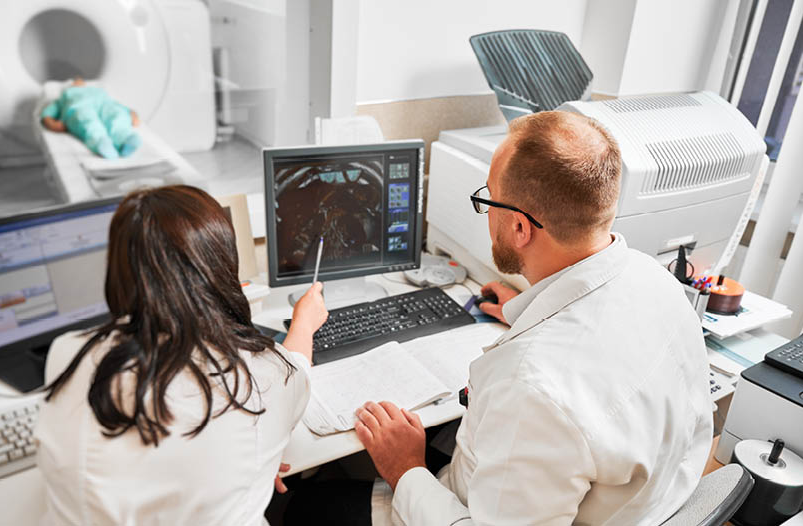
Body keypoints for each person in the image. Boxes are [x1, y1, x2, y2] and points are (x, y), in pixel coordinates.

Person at [290, 111, 713, 525]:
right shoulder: (657, 282)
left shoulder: (532, 388)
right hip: (642, 505)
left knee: (306, 504)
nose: (485, 210)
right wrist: (527, 311)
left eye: (487, 197)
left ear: (519, 229)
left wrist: (405, 468)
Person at [34, 185, 328, 525]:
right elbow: (297, 371)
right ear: (222, 266)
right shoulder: (268, 379)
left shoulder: (70, 352)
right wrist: (304, 324)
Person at [40, 77, 142, 159]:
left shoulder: (98, 90)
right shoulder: (65, 95)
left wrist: (131, 113)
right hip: (79, 106)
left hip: (104, 104)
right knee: (87, 121)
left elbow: (116, 104)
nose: (78, 80)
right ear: (70, 85)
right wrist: (51, 123)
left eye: (80, 80)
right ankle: (100, 142)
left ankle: (125, 138)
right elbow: (48, 113)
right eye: (75, 81)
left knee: (116, 116)